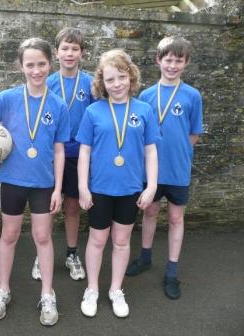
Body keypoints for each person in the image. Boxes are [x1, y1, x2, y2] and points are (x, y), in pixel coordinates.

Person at [0, 37, 70, 326]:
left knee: (42, 237)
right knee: (9, 236)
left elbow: (60, 150)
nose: (36, 70)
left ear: (50, 63)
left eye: (41, 64)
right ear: (20, 66)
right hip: (12, 181)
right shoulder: (7, 98)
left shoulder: (58, 105)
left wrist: (59, 189)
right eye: (30, 65)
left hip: (43, 184)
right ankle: (3, 290)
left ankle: (48, 293)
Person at [76, 49, 159, 318]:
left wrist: (152, 186)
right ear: (102, 83)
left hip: (130, 189)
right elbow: (85, 152)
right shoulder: (92, 111)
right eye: (110, 80)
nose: (117, 84)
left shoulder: (144, 110)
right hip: (99, 188)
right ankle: (92, 289)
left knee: (122, 242)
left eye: (122, 77)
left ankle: (115, 289)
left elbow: (151, 151)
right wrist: (82, 187)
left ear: (131, 77)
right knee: (98, 239)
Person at [126, 36, 203, 300]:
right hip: (151, 173)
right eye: (168, 60)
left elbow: (193, 134)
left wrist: (176, 151)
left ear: (186, 63)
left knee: (175, 219)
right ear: (158, 60)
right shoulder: (146, 96)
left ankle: (172, 271)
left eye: (178, 60)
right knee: (149, 214)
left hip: (178, 171)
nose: (172, 65)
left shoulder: (193, 96)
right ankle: (145, 257)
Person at [31, 27, 95, 282]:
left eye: (75, 49)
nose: (69, 54)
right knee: (48, 208)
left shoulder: (90, 83)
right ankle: (40, 254)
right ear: (56, 53)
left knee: (71, 207)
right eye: (65, 48)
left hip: (78, 156)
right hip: (50, 155)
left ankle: (71, 254)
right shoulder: (47, 82)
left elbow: (97, 118)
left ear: (82, 53)